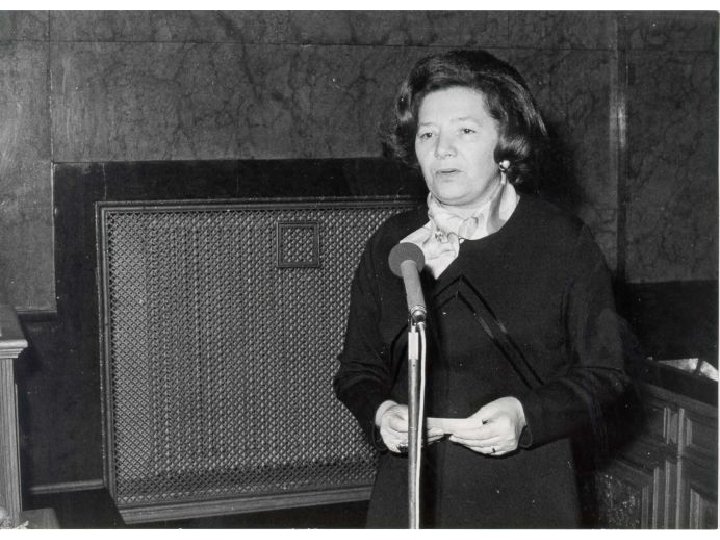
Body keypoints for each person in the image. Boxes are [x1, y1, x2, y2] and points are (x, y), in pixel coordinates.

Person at [333, 50, 636, 528]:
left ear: (507, 144)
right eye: (427, 134)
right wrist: (381, 411)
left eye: (466, 131)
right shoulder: (393, 243)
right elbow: (356, 371)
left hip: (529, 493)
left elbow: (607, 374)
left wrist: (526, 414)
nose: (442, 150)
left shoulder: (562, 241)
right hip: (410, 492)